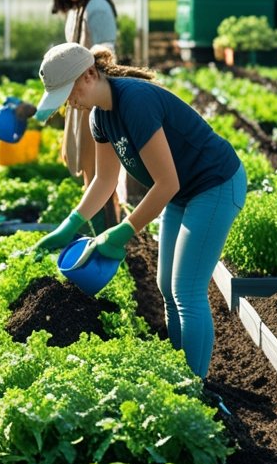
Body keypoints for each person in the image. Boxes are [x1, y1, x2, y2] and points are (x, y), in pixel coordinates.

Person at [33, 43, 246, 379]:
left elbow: (166, 183)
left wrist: (123, 231)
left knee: (187, 290)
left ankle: (196, 388)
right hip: (184, 190)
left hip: (215, 184)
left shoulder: (135, 101)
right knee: (167, 286)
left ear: (89, 74)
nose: (69, 103)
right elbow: (104, 180)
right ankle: (181, 374)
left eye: (69, 92)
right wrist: (70, 224)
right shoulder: (99, 117)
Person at [52, 0, 121, 225]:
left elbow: (107, 50)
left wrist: (81, 69)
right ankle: (99, 230)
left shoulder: (97, 7)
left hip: (93, 97)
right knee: (86, 169)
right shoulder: (76, 9)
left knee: (96, 174)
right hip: (80, 97)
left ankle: (106, 233)